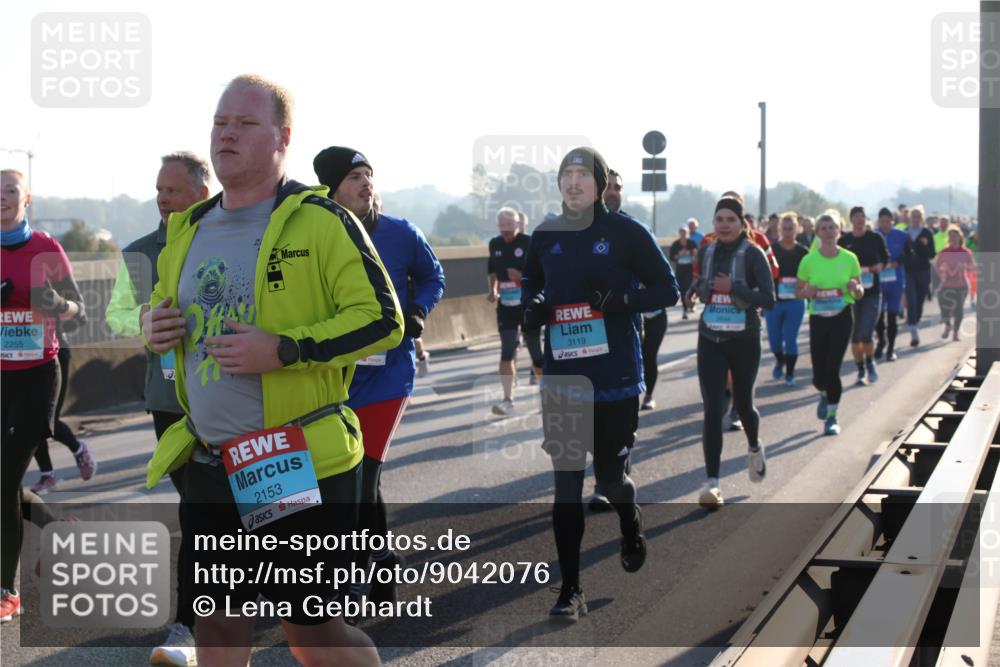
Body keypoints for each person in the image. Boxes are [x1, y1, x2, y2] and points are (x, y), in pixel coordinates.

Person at [140, 74, 399, 666]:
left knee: (312, 635)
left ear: (282, 137)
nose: (226, 133)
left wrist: (286, 349)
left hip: (286, 460)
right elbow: (162, 307)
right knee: (217, 628)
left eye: (245, 123)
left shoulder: (322, 222)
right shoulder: (189, 230)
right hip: (208, 461)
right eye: (219, 122)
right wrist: (154, 329)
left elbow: (383, 318)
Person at [521, 147, 678, 620]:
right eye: (565, 175)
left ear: (600, 182)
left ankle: (630, 520)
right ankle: (570, 590)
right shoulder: (545, 234)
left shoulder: (626, 231)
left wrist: (620, 300)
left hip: (615, 378)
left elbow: (667, 288)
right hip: (565, 377)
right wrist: (537, 305)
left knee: (610, 482)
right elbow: (531, 282)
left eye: (582, 175)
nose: (573, 183)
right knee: (566, 487)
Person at [313, 145, 445, 614]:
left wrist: (415, 310)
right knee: (351, 480)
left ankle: (352, 576)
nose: (364, 182)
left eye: (368, 174)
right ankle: (383, 562)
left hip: (389, 375)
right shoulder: (319, 237)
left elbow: (433, 277)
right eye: (352, 177)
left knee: (363, 475)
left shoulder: (400, 233)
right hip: (336, 378)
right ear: (331, 189)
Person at [104, 151, 210, 666]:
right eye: (159, 190)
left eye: (172, 190)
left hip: (243, 400)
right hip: (170, 404)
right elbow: (117, 317)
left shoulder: (229, 244)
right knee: (197, 509)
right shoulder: (140, 253)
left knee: (261, 509)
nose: (162, 200)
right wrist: (144, 320)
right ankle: (188, 626)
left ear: (201, 193)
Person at [1, 168, 86, 622]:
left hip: (37, 375)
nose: (3, 198)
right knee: (4, 483)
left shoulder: (45, 248)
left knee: (4, 479)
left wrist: (55, 304)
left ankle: (6, 591)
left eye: (11, 190)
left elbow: (78, 309)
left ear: (26, 199)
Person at [684, 195, 774, 509]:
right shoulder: (706, 250)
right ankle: (712, 483)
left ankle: (753, 445)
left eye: (730, 220)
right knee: (712, 409)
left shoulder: (754, 254)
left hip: (744, 339)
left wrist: (733, 288)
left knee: (745, 404)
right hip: (710, 337)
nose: (724, 225)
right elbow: (701, 284)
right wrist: (693, 293)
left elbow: (769, 299)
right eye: (719, 219)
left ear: (741, 224)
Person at [796, 211, 864, 436]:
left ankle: (832, 417)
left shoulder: (849, 258)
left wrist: (855, 288)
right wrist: (808, 291)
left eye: (831, 227)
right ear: (817, 232)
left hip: (842, 316)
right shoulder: (808, 260)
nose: (827, 231)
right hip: (818, 319)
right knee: (818, 375)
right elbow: (797, 292)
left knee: (833, 368)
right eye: (823, 228)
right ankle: (823, 393)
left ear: (839, 230)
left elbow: (860, 291)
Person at [28, 316, 95, 494]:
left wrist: (53, 323)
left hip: (54, 353)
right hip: (23, 358)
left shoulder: (47, 287)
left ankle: (79, 449)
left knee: (47, 419)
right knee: (30, 419)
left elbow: (80, 313)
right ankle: (47, 475)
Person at [487, 207, 541, 415]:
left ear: (518, 225)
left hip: (527, 305)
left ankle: (548, 396)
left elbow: (541, 274)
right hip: (506, 306)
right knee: (507, 351)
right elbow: (492, 270)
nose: (506, 232)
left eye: (510, 227)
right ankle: (508, 399)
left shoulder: (529, 243)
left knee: (536, 352)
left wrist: (521, 277)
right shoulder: (495, 244)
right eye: (502, 228)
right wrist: (493, 289)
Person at [838, 206, 888, 386]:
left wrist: (880, 266)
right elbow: (838, 263)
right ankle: (860, 370)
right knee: (855, 334)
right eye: (856, 217)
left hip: (871, 292)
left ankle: (870, 363)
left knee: (866, 333)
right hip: (850, 294)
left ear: (866, 219)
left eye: (862, 217)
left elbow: (885, 258)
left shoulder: (875, 238)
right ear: (851, 220)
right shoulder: (844, 240)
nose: (859, 220)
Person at [764, 212, 809, 386]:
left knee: (790, 338)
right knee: (774, 340)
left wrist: (803, 287)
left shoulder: (802, 252)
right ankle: (779, 360)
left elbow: (809, 276)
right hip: (775, 302)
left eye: (791, 228)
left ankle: (790, 374)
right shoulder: (772, 250)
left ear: (797, 229)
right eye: (785, 228)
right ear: (780, 229)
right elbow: (764, 274)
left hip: (795, 302)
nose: (788, 231)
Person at [873, 207, 912, 362]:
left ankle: (891, 349)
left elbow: (910, 254)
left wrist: (898, 262)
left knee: (892, 315)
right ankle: (881, 341)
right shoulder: (873, 235)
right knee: (879, 316)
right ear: (879, 221)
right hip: (879, 280)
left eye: (887, 221)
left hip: (895, 280)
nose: (885, 224)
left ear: (892, 221)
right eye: (882, 221)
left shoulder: (902, 236)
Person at [934, 225, 976, 341]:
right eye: (951, 236)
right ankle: (948, 325)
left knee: (959, 310)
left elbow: (973, 267)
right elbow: (937, 266)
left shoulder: (966, 252)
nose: (953, 239)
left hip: (961, 285)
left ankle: (956, 333)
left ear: (960, 237)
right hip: (946, 284)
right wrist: (942, 271)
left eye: (955, 236)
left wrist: (965, 266)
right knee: (944, 307)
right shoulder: (944, 252)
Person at [902, 205, 936, 347]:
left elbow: (932, 253)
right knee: (911, 300)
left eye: (918, 216)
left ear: (921, 218)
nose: (915, 219)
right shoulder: (904, 233)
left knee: (920, 300)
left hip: (923, 270)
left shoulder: (927, 233)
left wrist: (924, 245)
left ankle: (915, 321)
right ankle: (913, 329)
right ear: (909, 218)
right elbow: (901, 252)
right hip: (908, 271)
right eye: (913, 216)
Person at [669, 226, 698, 319]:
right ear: (679, 233)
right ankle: (684, 309)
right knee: (682, 289)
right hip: (680, 269)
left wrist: (690, 253)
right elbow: (672, 257)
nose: (683, 234)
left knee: (690, 287)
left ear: (688, 233)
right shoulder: (675, 244)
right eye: (681, 232)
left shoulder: (691, 243)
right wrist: (679, 255)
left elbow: (697, 253)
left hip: (690, 268)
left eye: (685, 232)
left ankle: (691, 303)